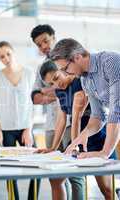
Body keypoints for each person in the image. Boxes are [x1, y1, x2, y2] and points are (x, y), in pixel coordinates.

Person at [39, 59, 117, 200]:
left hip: (96, 138)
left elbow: (76, 118)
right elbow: (62, 119)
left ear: (62, 69)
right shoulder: (59, 91)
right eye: (51, 83)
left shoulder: (79, 82)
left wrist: (76, 146)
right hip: (78, 140)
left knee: (106, 189)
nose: (56, 84)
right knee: (56, 180)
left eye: (56, 78)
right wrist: (53, 148)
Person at [30, 25, 85, 200]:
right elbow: (35, 97)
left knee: (75, 176)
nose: (43, 46)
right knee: (55, 178)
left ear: (54, 37)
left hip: (72, 125)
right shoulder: (42, 69)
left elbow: (71, 88)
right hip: (52, 126)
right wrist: (55, 90)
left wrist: (49, 91)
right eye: (39, 44)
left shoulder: (69, 62)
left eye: (45, 40)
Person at [0, 41, 34, 200]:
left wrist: (29, 128)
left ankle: (32, 197)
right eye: (2, 56)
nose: (6, 58)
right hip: (6, 129)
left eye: (8, 54)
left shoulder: (29, 73)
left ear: (13, 52)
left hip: (25, 129)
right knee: (9, 169)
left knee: (35, 166)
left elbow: (32, 104)